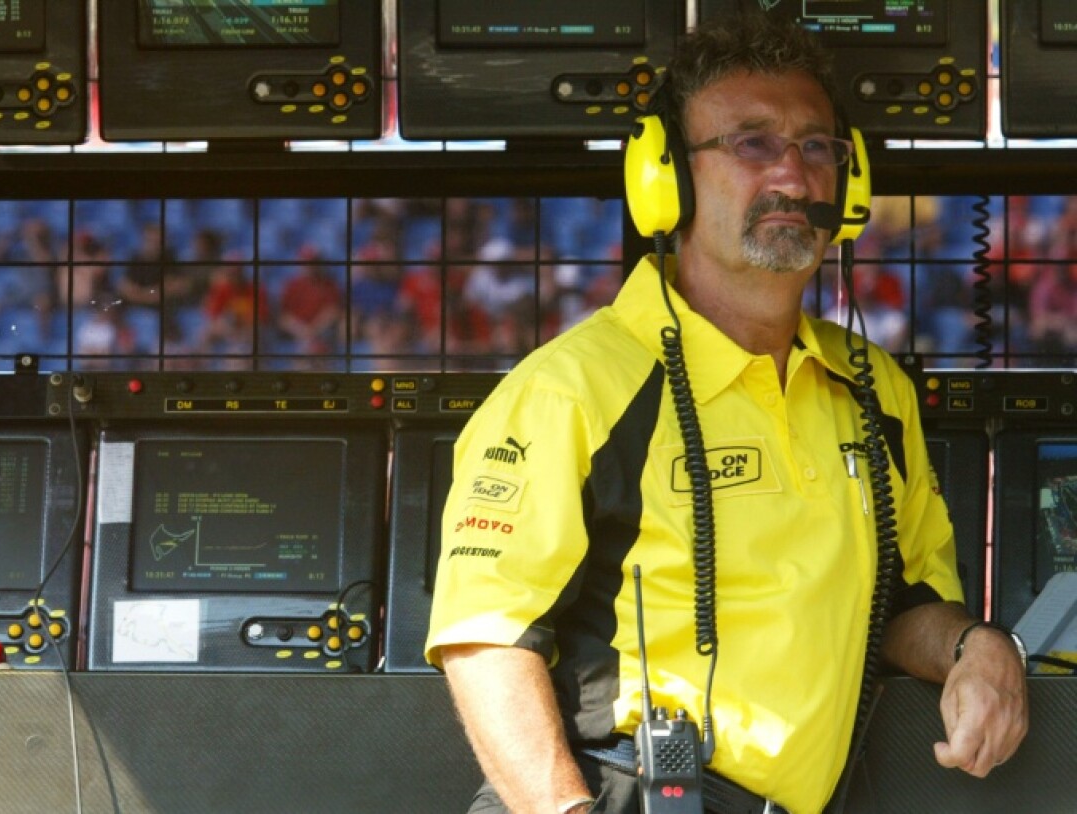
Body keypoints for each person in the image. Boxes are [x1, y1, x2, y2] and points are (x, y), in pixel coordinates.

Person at [424, 13, 1028, 814]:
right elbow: (487, 639)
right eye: (751, 143)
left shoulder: (875, 389)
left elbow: (904, 603)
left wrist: (978, 647)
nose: (793, 175)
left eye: (818, 147)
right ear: (666, 178)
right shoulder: (570, 389)